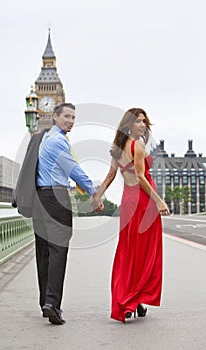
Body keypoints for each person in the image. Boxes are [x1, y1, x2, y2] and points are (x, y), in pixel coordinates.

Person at [14, 102, 103, 325]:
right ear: (55, 117)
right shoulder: (59, 142)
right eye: (66, 117)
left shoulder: (41, 139)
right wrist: (94, 193)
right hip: (56, 197)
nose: (71, 121)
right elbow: (74, 171)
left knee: (43, 251)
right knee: (58, 250)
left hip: (38, 199)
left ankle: (45, 299)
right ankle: (52, 303)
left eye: (73, 118)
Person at [92, 108, 169, 323]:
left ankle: (132, 301)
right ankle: (134, 299)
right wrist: (158, 200)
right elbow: (142, 178)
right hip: (143, 204)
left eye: (144, 122)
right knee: (145, 252)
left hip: (128, 203)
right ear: (128, 125)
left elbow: (110, 176)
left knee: (129, 251)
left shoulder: (117, 149)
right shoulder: (138, 145)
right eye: (138, 122)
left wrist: (98, 196)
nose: (142, 125)